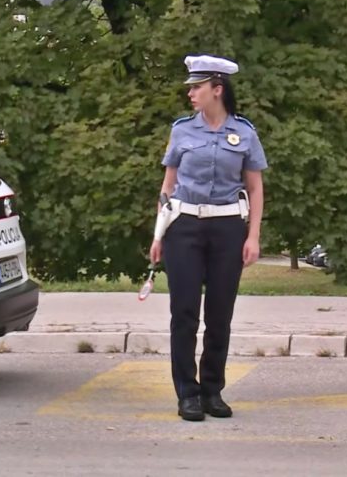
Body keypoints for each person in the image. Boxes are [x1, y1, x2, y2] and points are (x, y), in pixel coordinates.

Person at [149, 54, 268, 422]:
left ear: (217, 89)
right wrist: (158, 233)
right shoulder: (182, 130)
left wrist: (253, 236)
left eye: (197, 87)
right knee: (184, 312)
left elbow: (255, 188)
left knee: (219, 314)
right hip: (184, 226)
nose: (190, 93)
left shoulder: (244, 133)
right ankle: (187, 393)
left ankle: (212, 390)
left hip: (227, 228)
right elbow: (168, 185)